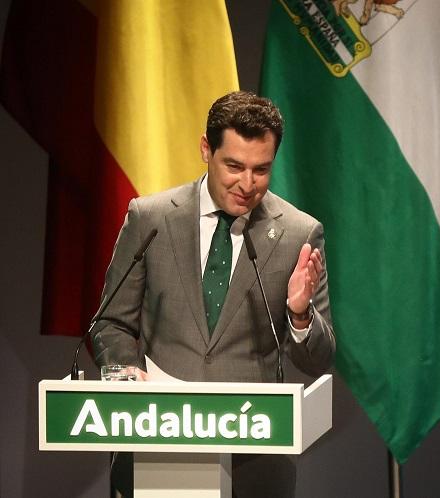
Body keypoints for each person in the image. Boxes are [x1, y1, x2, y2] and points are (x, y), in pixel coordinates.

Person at [91, 91, 335, 497]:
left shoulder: (299, 233)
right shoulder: (150, 218)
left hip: (254, 455)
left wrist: (299, 314)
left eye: (261, 169)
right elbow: (111, 322)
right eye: (234, 166)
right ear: (207, 149)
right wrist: (125, 370)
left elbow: (319, 360)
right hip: (160, 438)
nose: (247, 184)